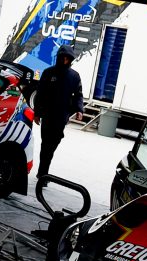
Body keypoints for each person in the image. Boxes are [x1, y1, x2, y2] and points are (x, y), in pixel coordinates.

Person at [34, 47, 85, 177]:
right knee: (45, 145)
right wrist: (37, 113)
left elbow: (78, 95)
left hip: (62, 116)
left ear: (70, 60)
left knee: (53, 144)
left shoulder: (74, 76)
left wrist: (79, 109)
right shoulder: (48, 73)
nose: (65, 60)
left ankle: (43, 170)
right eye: (63, 58)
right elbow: (40, 94)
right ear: (58, 57)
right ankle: (42, 173)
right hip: (47, 115)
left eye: (67, 59)